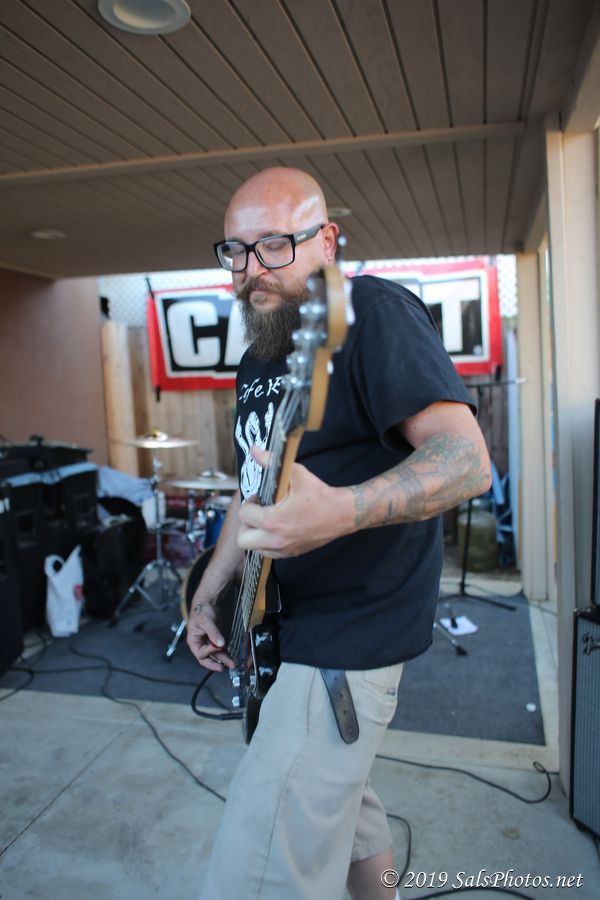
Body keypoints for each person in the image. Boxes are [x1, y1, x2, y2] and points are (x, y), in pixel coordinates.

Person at [186, 166, 491, 900]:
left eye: (274, 245)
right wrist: (209, 594)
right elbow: (252, 495)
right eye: (236, 251)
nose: (252, 269)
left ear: (326, 241)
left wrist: (341, 511)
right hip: (283, 627)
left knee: (260, 872)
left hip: (347, 636)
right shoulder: (259, 357)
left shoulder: (369, 312)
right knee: (351, 812)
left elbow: (466, 460)